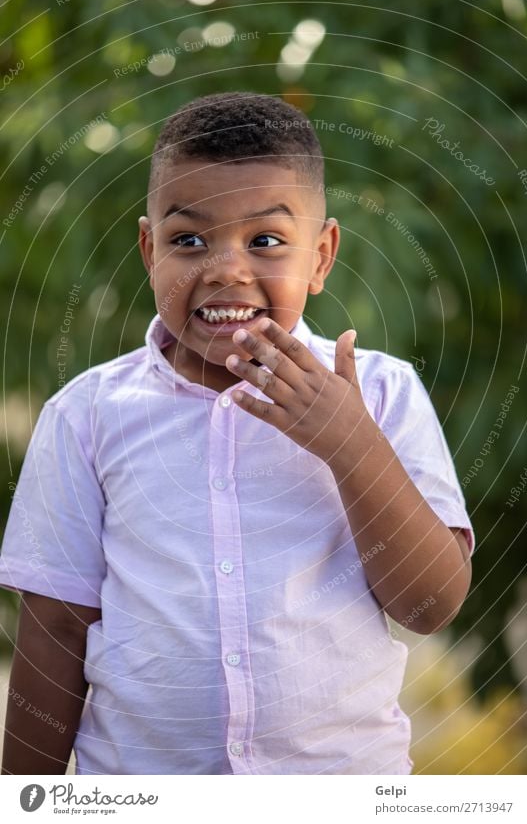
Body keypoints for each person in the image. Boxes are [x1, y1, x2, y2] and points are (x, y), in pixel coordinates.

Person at [0, 92, 474, 776]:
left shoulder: (380, 393)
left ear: (320, 256)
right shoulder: (86, 415)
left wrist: (349, 443)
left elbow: (430, 604)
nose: (224, 268)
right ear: (148, 249)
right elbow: (56, 633)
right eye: (187, 239)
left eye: (265, 241)